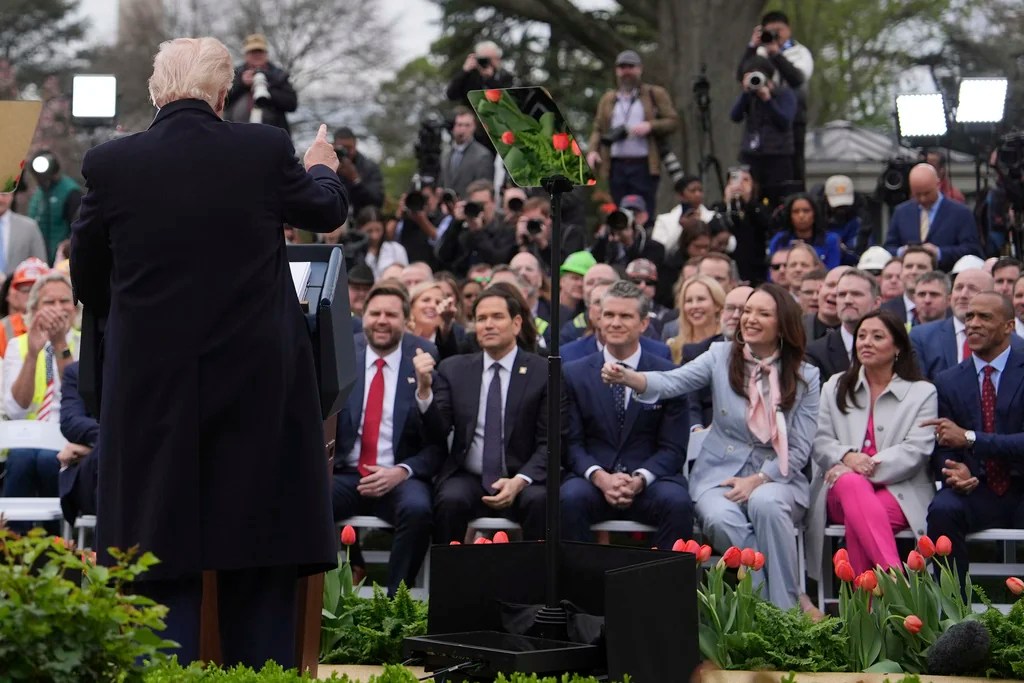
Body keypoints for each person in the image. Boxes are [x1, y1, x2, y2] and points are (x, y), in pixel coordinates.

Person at [69, 37, 347, 668]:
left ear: (155, 92)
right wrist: (323, 164)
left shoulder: (112, 165)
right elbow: (325, 210)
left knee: (157, 570)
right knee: (259, 564)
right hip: (257, 398)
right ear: (225, 96)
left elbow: (87, 281)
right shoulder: (263, 149)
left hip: (152, 404)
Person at [603, 283, 820, 610]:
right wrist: (631, 378)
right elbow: (674, 381)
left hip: (777, 476)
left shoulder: (807, 376)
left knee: (767, 506)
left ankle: (778, 610)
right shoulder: (720, 356)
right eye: (747, 311)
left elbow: (800, 448)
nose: (750, 319)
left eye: (763, 313)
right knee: (720, 519)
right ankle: (785, 605)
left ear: (783, 324)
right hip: (718, 474)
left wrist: (759, 479)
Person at [561, 281, 693, 547]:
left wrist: (639, 480)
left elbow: (673, 448)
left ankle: (665, 586)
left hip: (649, 481)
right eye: (609, 315)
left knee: (678, 504)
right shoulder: (573, 373)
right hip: (593, 480)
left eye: (625, 316)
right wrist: (600, 477)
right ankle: (579, 587)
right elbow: (571, 443)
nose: (615, 322)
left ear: (643, 324)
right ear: (598, 319)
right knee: (567, 499)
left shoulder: (667, 374)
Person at [414, 286, 550, 543]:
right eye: (481, 319)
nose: (488, 325)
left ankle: (536, 581)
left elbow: (551, 442)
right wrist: (424, 389)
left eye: (497, 317)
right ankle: (450, 581)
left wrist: (519, 481)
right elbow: (437, 431)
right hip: (469, 477)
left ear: (517, 323)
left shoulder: (542, 372)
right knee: (449, 500)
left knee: (541, 502)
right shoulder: (454, 369)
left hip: (523, 476)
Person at [809, 310, 936, 579]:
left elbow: (916, 451)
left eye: (877, 337)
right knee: (851, 485)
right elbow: (819, 441)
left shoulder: (922, 392)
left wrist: (859, 466)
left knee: (860, 523)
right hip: (839, 491)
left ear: (898, 347)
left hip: (900, 490)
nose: (866, 342)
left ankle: (864, 612)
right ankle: (897, 582)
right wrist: (847, 456)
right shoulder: (834, 386)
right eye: (862, 336)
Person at [332, 284, 439, 596]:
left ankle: (395, 601)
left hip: (399, 474)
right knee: (308, 498)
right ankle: (331, 591)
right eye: (375, 313)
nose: (382, 320)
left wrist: (424, 389)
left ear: (406, 321)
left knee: (419, 510)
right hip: (348, 472)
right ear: (362, 317)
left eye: (391, 315)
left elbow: (437, 441)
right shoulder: (343, 354)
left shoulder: (424, 357)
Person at [926, 292, 1024, 588]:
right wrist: (954, 471)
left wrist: (970, 439)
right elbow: (942, 447)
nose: (973, 324)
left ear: (1009, 326)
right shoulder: (949, 380)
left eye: (985, 317)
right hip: (976, 488)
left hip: (1021, 486)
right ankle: (953, 614)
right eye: (969, 317)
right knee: (943, 509)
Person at [1, 272, 80, 520]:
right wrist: (33, 355)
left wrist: (60, 346)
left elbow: (80, 400)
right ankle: (11, 546)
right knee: (24, 458)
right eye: (49, 303)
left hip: (67, 438)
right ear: (34, 310)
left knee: (47, 459)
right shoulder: (19, 345)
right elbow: (16, 409)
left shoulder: (84, 343)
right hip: (26, 437)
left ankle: (57, 545)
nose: (58, 309)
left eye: (64, 301)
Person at [587, 49, 679, 220]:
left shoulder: (654, 94)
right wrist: (593, 151)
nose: (626, 71)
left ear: (639, 69)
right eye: (622, 67)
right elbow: (598, 128)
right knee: (619, 212)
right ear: (616, 71)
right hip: (616, 165)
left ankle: (644, 241)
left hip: (643, 164)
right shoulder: (608, 99)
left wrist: (650, 126)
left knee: (645, 211)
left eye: (630, 67)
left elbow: (673, 121)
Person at [737, 11, 814, 184]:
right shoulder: (759, 52)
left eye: (778, 30)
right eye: (769, 31)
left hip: (792, 116)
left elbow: (797, 79)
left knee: (793, 167)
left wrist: (776, 54)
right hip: (761, 117)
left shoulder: (799, 52)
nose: (775, 35)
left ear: (788, 30)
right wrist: (752, 47)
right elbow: (742, 76)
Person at [883, 163, 982, 272]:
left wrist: (939, 253)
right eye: (917, 194)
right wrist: (903, 252)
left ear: (938, 184)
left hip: (946, 276)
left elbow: (972, 250)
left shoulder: (961, 213)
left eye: (927, 193)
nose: (923, 199)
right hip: (910, 278)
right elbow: (888, 249)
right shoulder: (901, 212)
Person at [729, 57, 798, 208]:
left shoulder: (784, 94)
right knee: (750, 198)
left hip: (778, 157)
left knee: (777, 201)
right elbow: (735, 116)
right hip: (752, 156)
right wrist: (746, 93)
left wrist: (768, 99)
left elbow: (785, 122)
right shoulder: (749, 97)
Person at [910, 269, 997, 381]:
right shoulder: (922, 337)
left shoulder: (1008, 341)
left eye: (972, 288)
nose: (963, 295)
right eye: (959, 288)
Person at [805, 269, 883, 385]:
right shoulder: (815, 353)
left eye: (856, 294)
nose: (847, 301)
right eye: (841, 294)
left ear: (876, 303)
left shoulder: (895, 346)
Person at [446, 40, 515, 150]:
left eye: (492, 59)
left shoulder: (505, 77)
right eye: (484, 59)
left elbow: (507, 101)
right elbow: (451, 94)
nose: (489, 63)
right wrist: (464, 71)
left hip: (497, 130)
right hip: (473, 130)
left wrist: (490, 79)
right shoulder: (470, 76)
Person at [224, 34, 297, 134]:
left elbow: (292, 104)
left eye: (260, 51)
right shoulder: (233, 75)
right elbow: (221, 101)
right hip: (237, 135)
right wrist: (242, 84)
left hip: (273, 137)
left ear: (266, 53)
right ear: (246, 55)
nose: (257, 55)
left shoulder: (279, 75)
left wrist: (264, 87)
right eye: (252, 52)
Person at [26, 151, 83, 262]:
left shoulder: (70, 192)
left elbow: (80, 226)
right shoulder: (37, 195)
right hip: (38, 261)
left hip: (63, 260)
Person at [768, 194, 841, 269]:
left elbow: (833, 271)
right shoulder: (779, 240)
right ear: (789, 215)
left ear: (814, 214)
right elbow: (772, 273)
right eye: (796, 211)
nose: (801, 215)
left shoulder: (831, 240)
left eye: (806, 211)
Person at [667, 275, 725, 364]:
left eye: (701, 299)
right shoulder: (673, 346)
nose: (694, 306)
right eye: (689, 301)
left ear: (717, 304)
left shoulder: (727, 343)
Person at [440, 107, 494, 199]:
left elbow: (484, 189)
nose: (463, 129)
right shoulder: (445, 155)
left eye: (467, 125)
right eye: (459, 125)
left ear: (474, 127)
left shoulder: (483, 155)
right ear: (453, 127)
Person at [333, 128, 385, 217]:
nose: (346, 152)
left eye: (349, 148)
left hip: (362, 221)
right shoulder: (327, 166)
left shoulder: (369, 167)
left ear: (355, 144)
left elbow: (377, 202)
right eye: (342, 148)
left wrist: (355, 179)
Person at [881, 247, 934, 326]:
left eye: (921, 267)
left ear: (933, 273)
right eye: (909, 266)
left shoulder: (946, 312)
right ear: (902, 272)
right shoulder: (884, 312)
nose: (914, 271)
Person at [0, 189, 47, 276]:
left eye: (4, 194)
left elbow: (41, 266)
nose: (0, 199)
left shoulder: (29, 227)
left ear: (12, 195)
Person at [361, 207, 408, 280]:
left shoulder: (396, 249)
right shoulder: (355, 252)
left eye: (378, 230)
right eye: (369, 231)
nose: (374, 236)